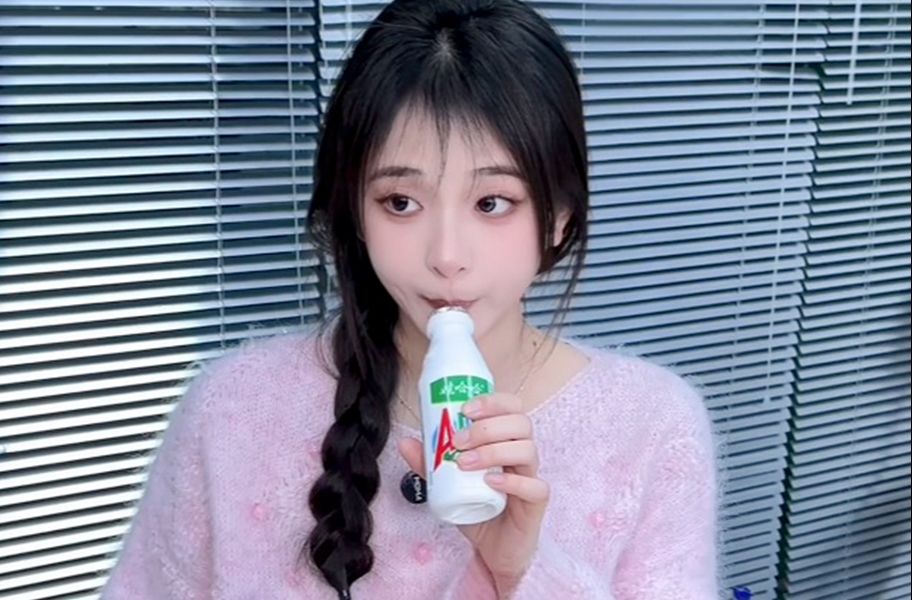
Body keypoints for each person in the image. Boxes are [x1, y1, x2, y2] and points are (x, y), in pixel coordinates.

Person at [100, 0, 720, 598]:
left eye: (491, 203)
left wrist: (517, 572)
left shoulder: (650, 427)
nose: (446, 255)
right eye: (401, 202)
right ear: (356, 212)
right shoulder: (234, 410)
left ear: (559, 217)